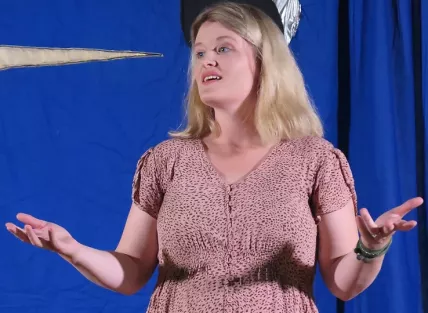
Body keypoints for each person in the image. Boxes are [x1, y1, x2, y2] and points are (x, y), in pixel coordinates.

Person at [5, 2, 423, 313]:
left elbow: (343, 283)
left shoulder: (315, 160)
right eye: (200, 51)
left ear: (265, 62)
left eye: (224, 48)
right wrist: (72, 249)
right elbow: (131, 272)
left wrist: (371, 248)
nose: (207, 60)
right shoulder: (165, 161)